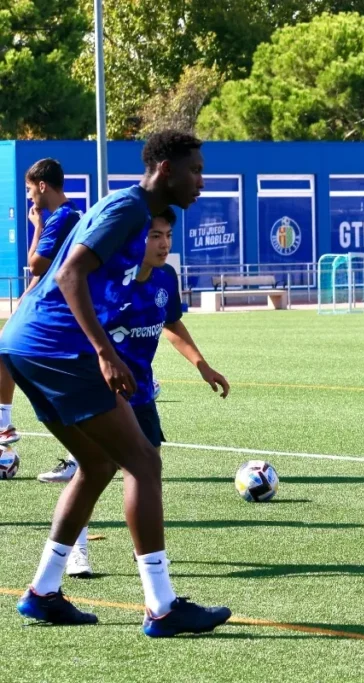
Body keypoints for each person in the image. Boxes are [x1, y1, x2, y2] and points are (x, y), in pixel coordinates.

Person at [2, 130, 231, 637]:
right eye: (195, 170)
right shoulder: (128, 208)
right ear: (166, 170)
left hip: (29, 346)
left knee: (99, 463)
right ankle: (162, 606)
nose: (202, 181)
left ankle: (43, 592)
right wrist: (106, 353)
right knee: (144, 461)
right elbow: (68, 275)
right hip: (57, 347)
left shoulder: (135, 213)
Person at [65, 210, 230, 578]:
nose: (164, 244)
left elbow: (171, 322)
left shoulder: (166, 277)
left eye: (168, 235)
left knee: (146, 471)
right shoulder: (104, 278)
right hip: (96, 391)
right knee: (93, 471)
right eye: (155, 235)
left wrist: (201, 365)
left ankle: (146, 552)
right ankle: (75, 551)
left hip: (139, 393)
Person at [0, 159, 82, 451]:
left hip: (56, 309)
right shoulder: (72, 216)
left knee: (11, 352)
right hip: (51, 303)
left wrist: (38, 228)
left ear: (43, 185)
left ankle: (3, 426)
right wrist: (26, 296)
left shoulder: (61, 218)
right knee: (5, 349)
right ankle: (3, 426)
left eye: (29, 189)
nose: (29, 195)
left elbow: (36, 264)